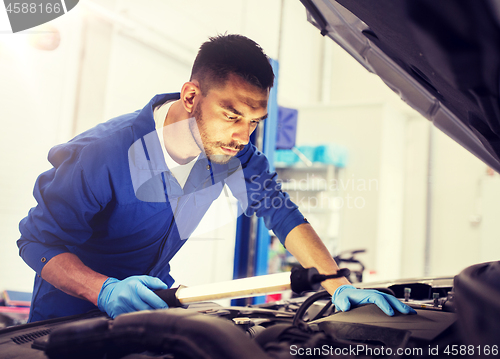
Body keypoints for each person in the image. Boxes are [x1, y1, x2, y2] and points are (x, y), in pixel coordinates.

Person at [18, 34, 416, 322]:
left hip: (152, 305)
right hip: (65, 318)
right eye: (232, 116)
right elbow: (37, 241)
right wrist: (102, 290)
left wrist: (336, 282)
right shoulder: (103, 153)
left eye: (254, 122)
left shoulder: (234, 155)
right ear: (191, 96)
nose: (243, 136)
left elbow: (282, 214)